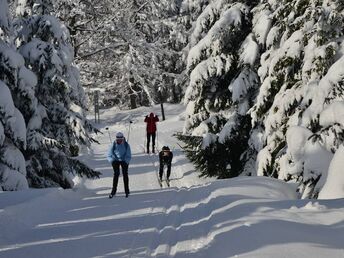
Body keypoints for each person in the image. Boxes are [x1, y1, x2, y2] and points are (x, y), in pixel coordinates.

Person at [107, 132, 132, 198]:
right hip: (115, 160)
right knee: (116, 174)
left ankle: (127, 190)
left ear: (123, 138)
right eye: (118, 139)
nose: (120, 140)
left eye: (121, 139)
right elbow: (109, 155)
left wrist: (126, 161)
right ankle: (113, 191)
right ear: (116, 139)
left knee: (125, 174)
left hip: (124, 160)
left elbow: (129, 155)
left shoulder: (126, 145)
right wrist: (112, 161)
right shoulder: (113, 145)